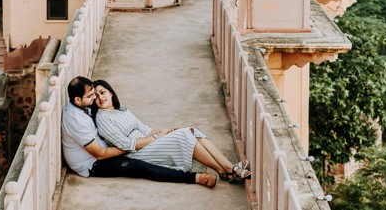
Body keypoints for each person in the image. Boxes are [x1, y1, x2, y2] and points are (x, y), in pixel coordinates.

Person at [61, 77, 214, 187]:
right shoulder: (76, 119)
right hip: (91, 164)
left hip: (102, 151)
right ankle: (195, 178)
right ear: (77, 100)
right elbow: (100, 154)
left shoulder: (81, 107)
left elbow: (141, 128)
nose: (95, 98)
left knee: (154, 151)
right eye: (90, 96)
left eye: (96, 93)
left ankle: (222, 168)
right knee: (140, 167)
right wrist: (129, 146)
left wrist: (139, 142)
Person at [92, 79, 248, 182]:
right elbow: (126, 144)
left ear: (111, 92)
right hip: (136, 153)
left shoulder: (121, 109)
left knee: (190, 131)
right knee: (183, 136)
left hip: (148, 143)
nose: (101, 97)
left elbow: (144, 129)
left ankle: (227, 168)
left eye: (102, 92)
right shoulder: (102, 118)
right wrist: (156, 138)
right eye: (96, 96)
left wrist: (166, 133)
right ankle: (227, 169)